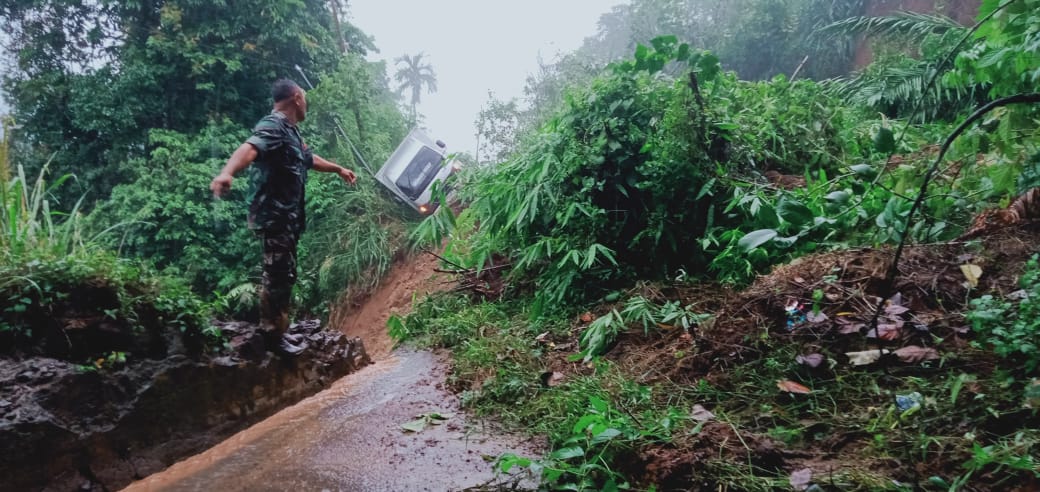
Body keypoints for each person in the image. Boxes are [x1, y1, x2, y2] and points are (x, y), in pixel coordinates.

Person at [210, 79, 357, 355]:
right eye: (306, 99)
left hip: (287, 218)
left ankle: (278, 332)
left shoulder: (291, 132)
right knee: (277, 274)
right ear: (297, 98)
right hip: (274, 215)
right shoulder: (274, 125)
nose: (307, 104)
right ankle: (272, 336)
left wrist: (338, 168)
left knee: (284, 274)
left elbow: (309, 159)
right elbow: (250, 148)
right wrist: (227, 172)